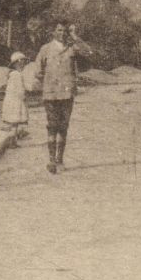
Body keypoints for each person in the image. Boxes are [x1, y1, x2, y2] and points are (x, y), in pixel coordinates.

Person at [29, 19, 95, 174]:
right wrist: (49, 79)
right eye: (59, 30)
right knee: (52, 126)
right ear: (53, 32)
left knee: (63, 126)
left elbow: (89, 52)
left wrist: (75, 35)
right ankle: (51, 160)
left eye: (65, 31)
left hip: (67, 93)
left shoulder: (72, 49)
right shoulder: (45, 49)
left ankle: (60, 159)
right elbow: (38, 71)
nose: (62, 33)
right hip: (51, 94)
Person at [1, 51, 29, 141]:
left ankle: (13, 139)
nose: (24, 65)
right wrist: (23, 95)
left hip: (12, 100)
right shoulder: (16, 75)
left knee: (14, 122)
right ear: (18, 63)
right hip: (15, 101)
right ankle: (12, 140)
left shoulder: (13, 74)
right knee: (14, 121)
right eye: (22, 63)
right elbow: (19, 89)